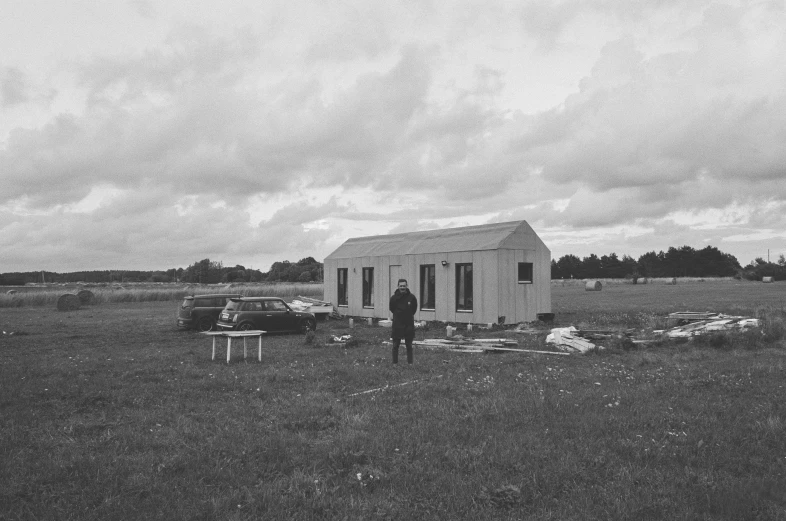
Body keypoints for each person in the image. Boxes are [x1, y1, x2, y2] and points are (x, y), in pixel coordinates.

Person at [389, 278, 418, 364]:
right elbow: (392, 309)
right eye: (401, 286)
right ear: (398, 286)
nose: (402, 288)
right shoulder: (393, 298)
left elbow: (414, 309)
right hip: (397, 325)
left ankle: (410, 363)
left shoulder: (412, 297)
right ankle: (395, 364)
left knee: (409, 346)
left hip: (408, 325)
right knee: (395, 346)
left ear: (407, 286)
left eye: (404, 286)